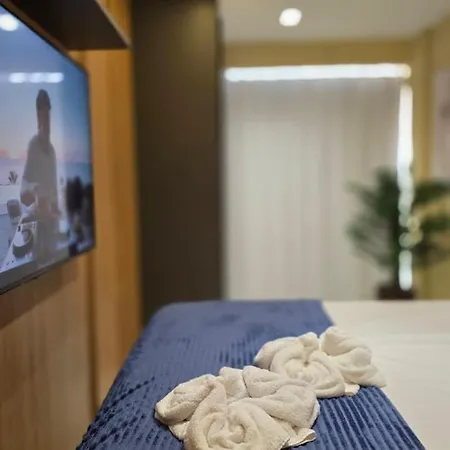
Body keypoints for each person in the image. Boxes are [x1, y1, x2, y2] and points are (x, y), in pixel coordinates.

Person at [20, 89, 59, 261]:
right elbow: (23, 194)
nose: (45, 121)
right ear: (37, 117)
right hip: (36, 232)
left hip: (51, 232)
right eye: (42, 115)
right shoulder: (33, 146)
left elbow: (54, 195)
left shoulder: (52, 151)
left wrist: (55, 208)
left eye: (47, 115)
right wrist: (35, 191)